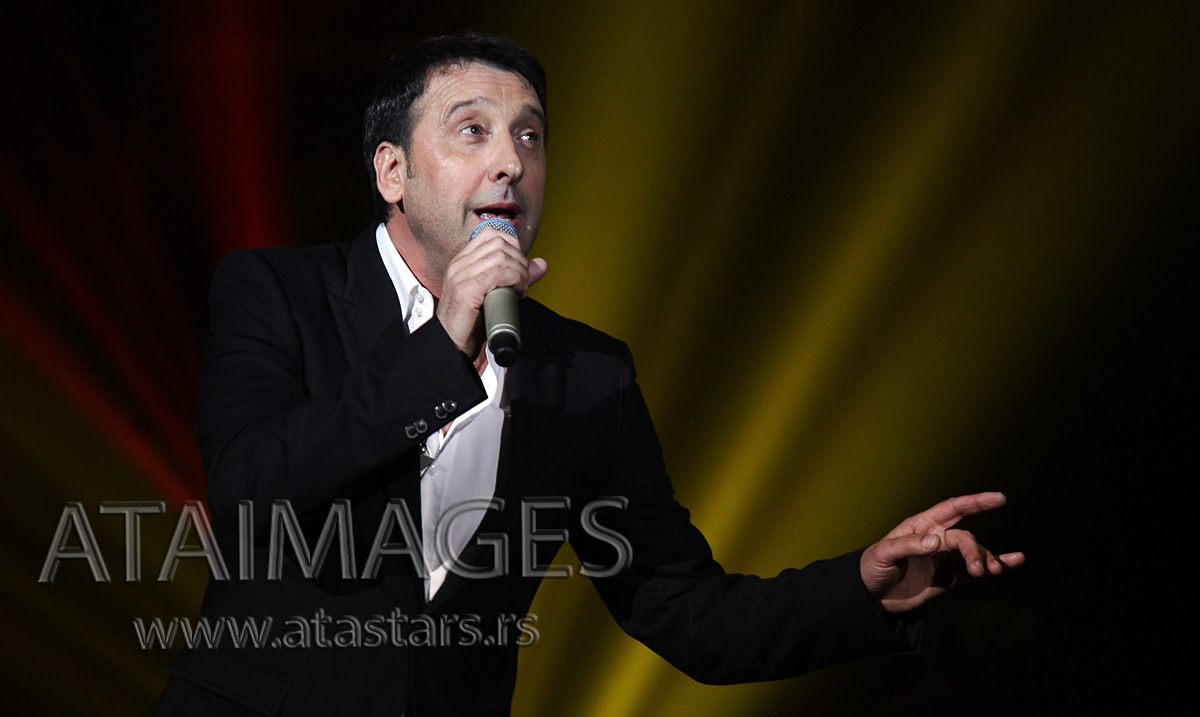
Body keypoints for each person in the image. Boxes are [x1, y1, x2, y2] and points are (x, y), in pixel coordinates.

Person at [154, 33, 1023, 716]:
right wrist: (442, 344)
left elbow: (685, 608)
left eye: (530, 136)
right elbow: (249, 489)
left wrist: (864, 585)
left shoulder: (585, 372)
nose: (510, 161)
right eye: (472, 131)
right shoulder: (279, 292)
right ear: (393, 170)